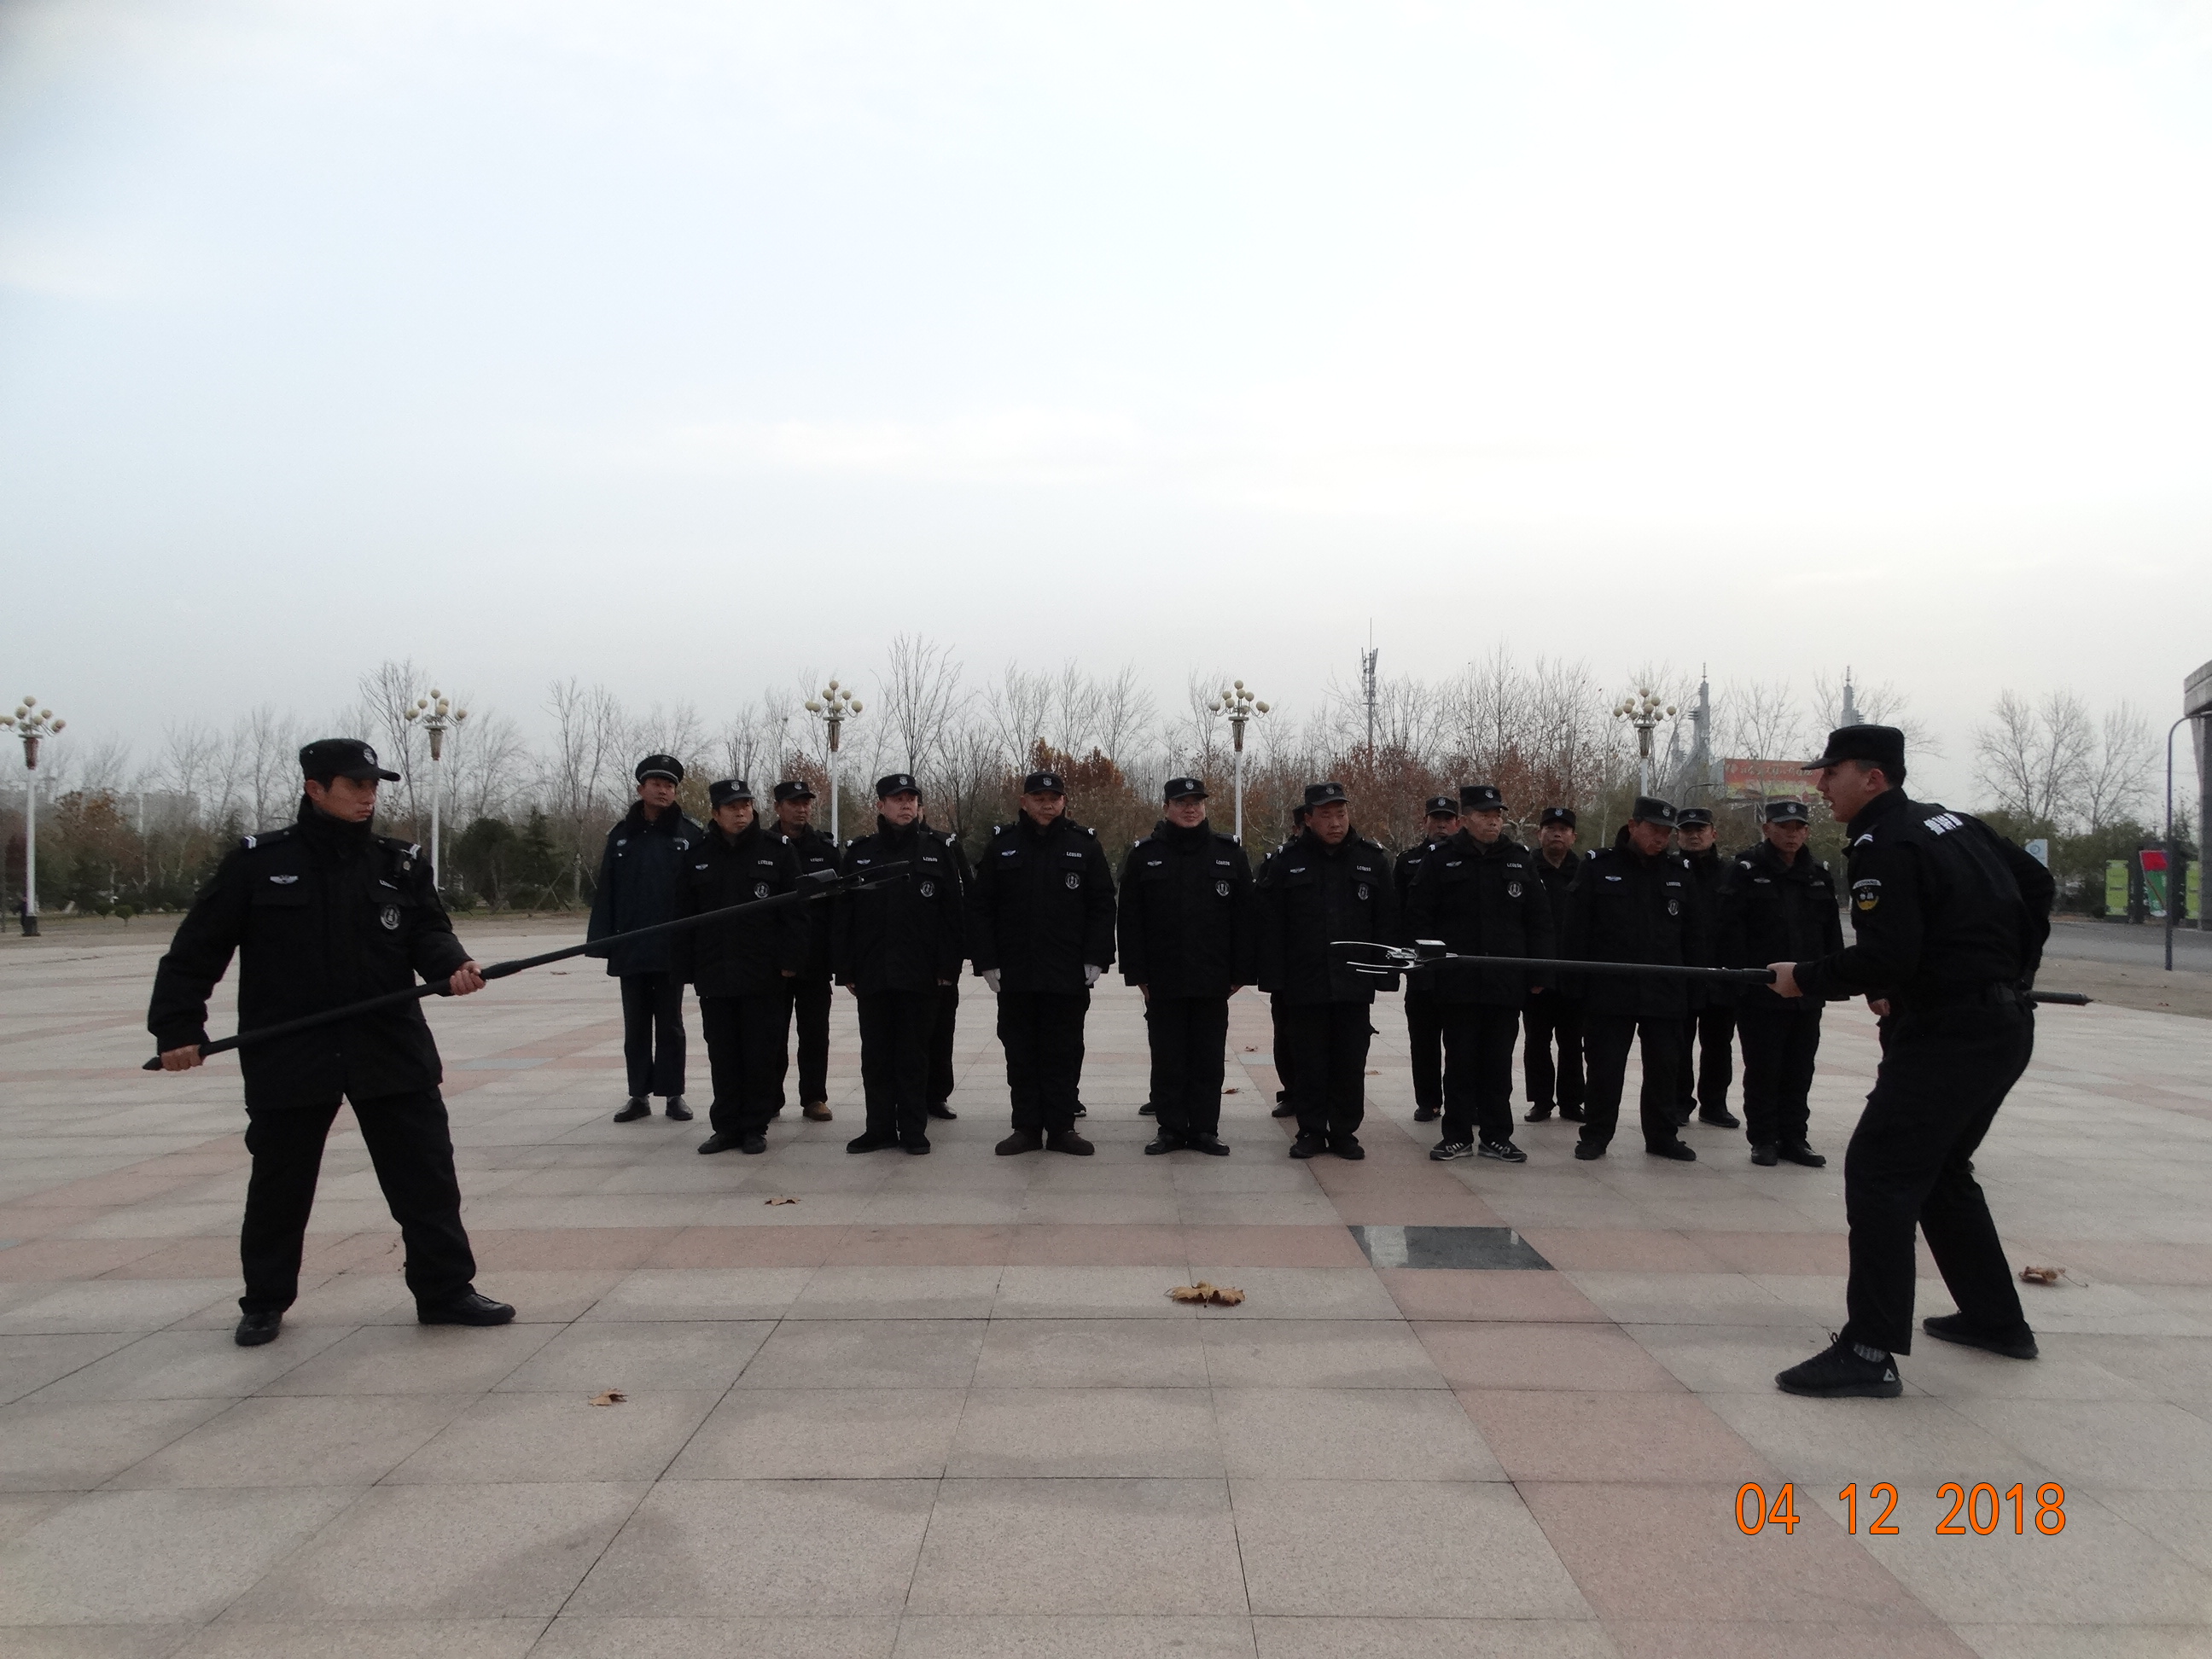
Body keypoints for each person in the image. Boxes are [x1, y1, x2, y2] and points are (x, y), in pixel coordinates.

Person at [148, 738, 512, 1347]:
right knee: (280, 1185)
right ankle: (265, 1300)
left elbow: (427, 930)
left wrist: (453, 965)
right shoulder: (258, 863)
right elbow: (196, 949)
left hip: (388, 1043)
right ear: (315, 789)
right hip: (292, 1049)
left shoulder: (399, 863)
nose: (368, 797)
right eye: (355, 785)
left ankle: (445, 1290)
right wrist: (178, 1028)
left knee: (425, 1178)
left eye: (373, 786)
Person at [1770, 725, 2054, 1399]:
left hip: (1950, 1036)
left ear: (1873, 777)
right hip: (2001, 1025)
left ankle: (1869, 1351)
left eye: (1832, 771)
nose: (1821, 785)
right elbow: (2037, 885)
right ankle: (1995, 1320)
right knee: (1941, 1172)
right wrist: (2010, 971)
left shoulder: (1885, 842)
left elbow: (1885, 956)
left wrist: (1803, 977)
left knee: (1880, 1172)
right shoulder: (1953, 823)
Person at [971, 768, 1118, 1155]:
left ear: (1064, 801)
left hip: (1067, 972)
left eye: (1054, 798)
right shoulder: (1002, 846)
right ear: (1024, 802)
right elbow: (982, 907)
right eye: (1039, 798)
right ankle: (1026, 1128)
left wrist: (1097, 957)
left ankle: (1062, 1128)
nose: (1047, 804)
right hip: (1016, 972)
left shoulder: (1083, 845)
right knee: (1020, 1051)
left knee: (1064, 1051)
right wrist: (986, 960)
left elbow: (1102, 905)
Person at [1406, 783, 1554, 1163]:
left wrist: (1539, 972)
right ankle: (1456, 1135)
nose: (1493, 822)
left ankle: (1496, 1136)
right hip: (1457, 982)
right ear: (1465, 819)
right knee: (1459, 1062)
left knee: (1498, 1063)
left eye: (1497, 815)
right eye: (1485, 815)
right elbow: (1419, 918)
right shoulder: (1440, 859)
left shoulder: (1518, 859)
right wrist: (1426, 973)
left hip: (1504, 981)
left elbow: (1539, 920)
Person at [1253, 783, 1400, 1160]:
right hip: (1305, 981)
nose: (1336, 823)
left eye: (1341, 814)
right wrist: (1274, 980)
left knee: (1350, 1060)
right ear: (1308, 819)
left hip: (1354, 980)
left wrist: (1385, 974)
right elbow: (1270, 925)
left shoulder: (1371, 860)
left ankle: (1345, 1132)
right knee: (1309, 1061)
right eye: (1326, 815)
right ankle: (1311, 1130)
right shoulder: (1286, 861)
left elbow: (1386, 921)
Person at [1119, 777, 1254, 1155]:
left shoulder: (1228, 853)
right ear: (1167, 808)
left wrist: (1241, 973)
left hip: (1213, 976)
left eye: (1196, 802)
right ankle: (1171, 1129)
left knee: (1208, 1058)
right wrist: (1137, 974)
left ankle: (1205, 1129)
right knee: (1168, 1057)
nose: (1190, 809)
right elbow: (1129, 920)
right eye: (1182, 803)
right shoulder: (1145, 855)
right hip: (1164, 977)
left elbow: (1246, 917)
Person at [1564, 796, 1703, 1162]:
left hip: (1664, 987)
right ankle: (1595, 1136)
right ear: (1633, 825)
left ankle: (1662, 1137)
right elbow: (1576, 931)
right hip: (1610, 988)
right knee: (1605, 1068)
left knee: (1665, 1068)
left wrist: (1695, 987)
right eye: (1653, 830)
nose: (1660, 838)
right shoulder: (1598, 866)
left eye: (1666, 833)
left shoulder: (1679, 871)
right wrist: (1574, 985)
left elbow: (1694, 936)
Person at [834, 774, 967, 1154]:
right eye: (897, 799)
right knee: (876, 1055)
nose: (906, 804)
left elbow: (953, 913)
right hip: (873, 971)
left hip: (920, 973)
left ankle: (912, 1129)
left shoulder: (936, 850)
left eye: (911, 798)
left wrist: (948, 968)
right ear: (881, 805)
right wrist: (846, 969)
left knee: (914, 1055)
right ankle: (878, 1128)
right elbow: (844, 915)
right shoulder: (860, 853)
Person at [672, 780, 805, 1156]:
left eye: (746, 804)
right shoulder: (697, 855)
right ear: (716, 813)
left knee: (760, 1053)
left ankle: (755, 1127)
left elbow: (796, 913)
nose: (741, 812)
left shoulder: (776, 850)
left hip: (763, 974)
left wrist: (790, 963)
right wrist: (685, 969)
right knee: (723, 1054)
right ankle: (726, 1127)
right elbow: (682, 916)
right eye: (732, 807)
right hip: (715, 973)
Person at [1717, 798, 1842, 1167]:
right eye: (1784, 827)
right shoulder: (1745, 870)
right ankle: (1763, 1139)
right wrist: (1738, 981)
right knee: (1764, 1068)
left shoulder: (1817, 873)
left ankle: (1794, 1138)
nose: (1792, 834)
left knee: (1800, 1068)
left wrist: (1833, 980)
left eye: (1799, 828)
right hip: (1762, 991)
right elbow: (1729, 932)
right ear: (1767, 828)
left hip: (1806, 990)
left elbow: (1830, 932)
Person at [589, 754, 704, 1124]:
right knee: (635, 1025)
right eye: (656, 784)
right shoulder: (621, 835)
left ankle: (674, 1094)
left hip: (671, 946)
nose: (664, 791)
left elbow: (700, 894)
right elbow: (607, 890)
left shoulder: (690, 835)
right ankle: (637, 1094)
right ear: (641, 789)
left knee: (670, 1024)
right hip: (631, 946)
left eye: (670, 785)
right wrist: (602, 943)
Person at [771, 779, 838, 1122]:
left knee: (814, 1033)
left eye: (806, 803)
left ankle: (814, 1097)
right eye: (794, 803)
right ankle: (769, 1098)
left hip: (814, 958)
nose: (802, 809)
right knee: (771, 1034)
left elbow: (839, 904)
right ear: (778, 807)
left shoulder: (825, 849)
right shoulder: (764, 846)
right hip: (774, 959)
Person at [1672, 807, 1741, 1131]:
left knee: (1718, 1044)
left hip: (1721, 972)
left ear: (1714, 833)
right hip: (1682, 972)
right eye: (1687, 830)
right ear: (1678, 836)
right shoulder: (1669, 870)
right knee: (1678, 1044)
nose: (1694, 835)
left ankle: (1714, 1104)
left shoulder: (1732, 873)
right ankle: (1678, 1103)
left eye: (1700, 830)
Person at [1395, 795, 1459, 1124]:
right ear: (1425, 823)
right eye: (1436, 819)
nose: (1442, 825)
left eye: (1448, 819)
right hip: (1422, 967)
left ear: (1458, 823)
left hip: (1457, 968)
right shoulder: (1408, 862)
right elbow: (1397, 912)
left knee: (1461, 1043)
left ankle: (1464, 1103)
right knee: (1423, 1041)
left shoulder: (1466, 860)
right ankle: (1429, 1101)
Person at [1522, 806, 1586, 1124]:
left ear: (1573, 836)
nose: (1557, 833)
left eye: (1564, 829)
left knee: (1572, 1041)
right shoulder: (1526, 868)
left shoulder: (1584, 870)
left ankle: (1572, 1102)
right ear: (1539, 834)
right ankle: (1541, 1101)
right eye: (1550, 828)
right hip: (1538, 972)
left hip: (1574, 972)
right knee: (1537, 1041)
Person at [922, 811, 975, 1122]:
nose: (907, 807)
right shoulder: (874, 848)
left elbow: (964, 899)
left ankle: (937, 1095)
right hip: (901, 962)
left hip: (941, 959)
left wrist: (959, 955)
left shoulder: (946, 846)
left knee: (941, 1031)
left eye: (912, 801)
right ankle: (904, 1098)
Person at [1266, 801, 1313, 1121]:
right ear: (1298, 828)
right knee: (1287, 1035)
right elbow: (1266, 918)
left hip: (1332, 973)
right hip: (1290, 971)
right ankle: (1292, 1092)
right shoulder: (1280, 862)